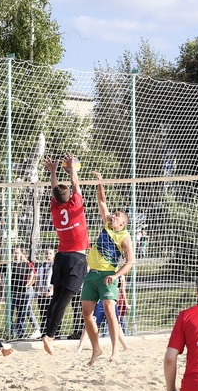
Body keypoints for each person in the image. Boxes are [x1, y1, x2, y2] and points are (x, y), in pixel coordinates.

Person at [81, 171, 134, 365]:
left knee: (110, 310)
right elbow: (102, 201)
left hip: (107, 275)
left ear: (123, 223)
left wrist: (116, 275)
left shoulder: (124, 237)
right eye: (114, 214)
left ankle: (115, 351)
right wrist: (100, 181)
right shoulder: (107, 225)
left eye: (117, 215)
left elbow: (130, 262)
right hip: (91, 275)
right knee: (86, 313)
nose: (114, 215)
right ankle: (96, 349)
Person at [42, 154, 89, 355]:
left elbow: (57, 190)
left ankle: (48, 334)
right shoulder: (75, 205)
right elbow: (75, 184)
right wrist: (72, 169)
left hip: (60, 257)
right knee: (63, 300)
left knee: (56, 299)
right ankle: (50, 336)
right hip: (76, 259)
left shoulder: (55, 208)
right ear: (69, 196)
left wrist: (53, 171)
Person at [0, 247, 35, 340]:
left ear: (21, 254)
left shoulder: (25, 265)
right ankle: (11, 333)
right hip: (12, 294)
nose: (16, 254)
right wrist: (3, 284)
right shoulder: (9, 264)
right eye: (14, 253)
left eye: (17, 253)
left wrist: (28, 284)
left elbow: (32, 274)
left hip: (23, 293)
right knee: (10, 314)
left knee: (21, 314)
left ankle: (21, 334)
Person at [34, 249, 54, 330]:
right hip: (41, 293)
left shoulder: (55, 266)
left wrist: (50, 290)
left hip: (51, 293)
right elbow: (37, 279)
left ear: (53, 255)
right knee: (42, 313)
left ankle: (53, 331)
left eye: (50, 253)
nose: (48, 255)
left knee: (52, 313)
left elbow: (58, 280)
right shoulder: (41, 266)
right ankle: (43, 331)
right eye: (47, 253)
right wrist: (41, 290)